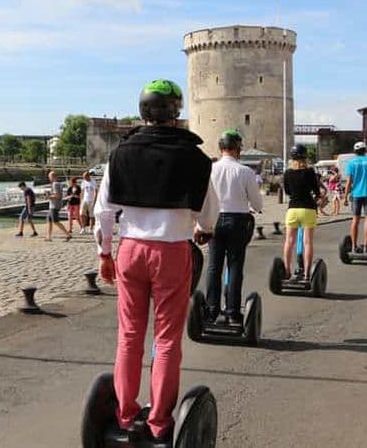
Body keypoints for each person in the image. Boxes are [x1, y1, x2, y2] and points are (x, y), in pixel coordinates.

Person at [94, 79, 218, 446]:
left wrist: (104, 253)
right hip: (171, 251)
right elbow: (208, 213)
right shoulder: (195, 158)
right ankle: (160, 423)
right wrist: (204, 230)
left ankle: (126, 414)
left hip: (131, 249)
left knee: (129, 336)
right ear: (175, 111)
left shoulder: (120, 154)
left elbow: (103, 212)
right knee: (166, 340)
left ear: (142, 111)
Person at [205, 129, 263, 326]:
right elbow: (257, 204)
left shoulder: (210, 170)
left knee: (214, 266)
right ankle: (232, 311)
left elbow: (203, 199)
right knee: (235, 265)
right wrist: (253, 207)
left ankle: (211, 310)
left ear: (221, 148)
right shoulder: (245, 171)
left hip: (214, 220)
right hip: (238, 220)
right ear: (238, 148)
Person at [282, 144, 321, 281]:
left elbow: (287, 191)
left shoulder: (287, 173)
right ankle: (307, 275)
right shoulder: (310, 172)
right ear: (305, 156)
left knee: (289, 241)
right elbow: (316, 191)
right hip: (308, 209)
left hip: (292, 209)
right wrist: (318, 197)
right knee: (307, 242)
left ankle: (286, 271)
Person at [344, 141, 367, 253]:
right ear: (365, 150)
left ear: (355, 151)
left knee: (355, 219)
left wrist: (345, 197)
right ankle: (366, 246)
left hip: (356, 194)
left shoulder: (352, 163)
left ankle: (354, 246)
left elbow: (349, 182)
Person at [45, 170, 71, 242]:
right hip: (53, 205)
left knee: (55, 221)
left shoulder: (55, 184)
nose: (49, 178)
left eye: (49, 177)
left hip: (54, 205)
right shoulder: (58, 184)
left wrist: (49, 196)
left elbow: (58, 196)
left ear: (52, 177)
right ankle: (48, 236)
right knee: (49, 220)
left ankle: (67, 234)